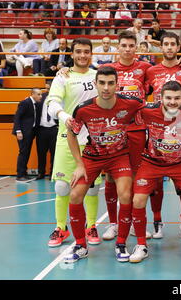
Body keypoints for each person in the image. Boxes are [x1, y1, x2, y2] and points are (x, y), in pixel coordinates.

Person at [64, 66, 145, 263]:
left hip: (119, 156)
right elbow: (71, 135)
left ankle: (121, 243)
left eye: (110, 83)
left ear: (117, 85)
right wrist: (79, 164)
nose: (106, 88)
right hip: (93, 157)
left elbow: (158, 109)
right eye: (102, 83)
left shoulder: (132, 104)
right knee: (74, 194)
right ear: (95, 84)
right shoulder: (83, 108)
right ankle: (81, 245)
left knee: (126, 194)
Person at [129, 81, 181, 262]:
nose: (172, 102)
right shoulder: (147, 111)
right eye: (168, 98)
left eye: (177, 98)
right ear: (160, 98)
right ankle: (141, 245)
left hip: (180, 163)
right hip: (152, 162)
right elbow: (128, 109)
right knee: (138, 199)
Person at [46, 38, 102, 248]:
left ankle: (91, 225)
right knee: (62, 187)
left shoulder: (98, 76)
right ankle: (61, 227)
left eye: (86, 52)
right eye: (78, 51)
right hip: (66, 138)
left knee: (93, 188)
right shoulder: (63, 77)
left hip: (92, 141)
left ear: (91, 54)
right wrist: (64, 116)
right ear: (72, 54)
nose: (82, 55)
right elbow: (52, 103)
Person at [100, 30, 153, 241]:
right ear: (118, 47)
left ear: (137, 47)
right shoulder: (109, 70)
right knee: (112, 176)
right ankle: (114, 223)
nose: (128, 49)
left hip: (138, 130)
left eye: (132, 46)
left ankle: (133, 221)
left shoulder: (145, 68)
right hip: (113, 130)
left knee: (136, 177)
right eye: (124, 45)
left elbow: (166, 73)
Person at [144, 32, 181, 239]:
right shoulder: (151, 70)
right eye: (165, 44)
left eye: (173, 44)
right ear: (161, 47)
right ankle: (157, 220)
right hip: (156, 128)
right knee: (156, 182)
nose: (169, 47)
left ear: (178, 46)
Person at [12, 88, 42, 182]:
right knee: (23, 153)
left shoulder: (35, 104)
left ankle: (23, 173)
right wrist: (18, 131)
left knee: (26, 153)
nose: (40, 96)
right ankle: (19, 175)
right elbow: (17, 117)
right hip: (23, 133)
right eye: (38, 94)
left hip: (29, 132)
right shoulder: (25, 102)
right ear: (33, 94)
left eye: (41, 94)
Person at [36, 86, 58, 180]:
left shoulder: (58, 98)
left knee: (54, 153)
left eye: (49, 88)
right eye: (46, 88)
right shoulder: (42, 97)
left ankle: (52, 173)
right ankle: (41, 173)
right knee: (41, 153)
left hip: (54, 128)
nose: (47, 90)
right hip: (42, 129)